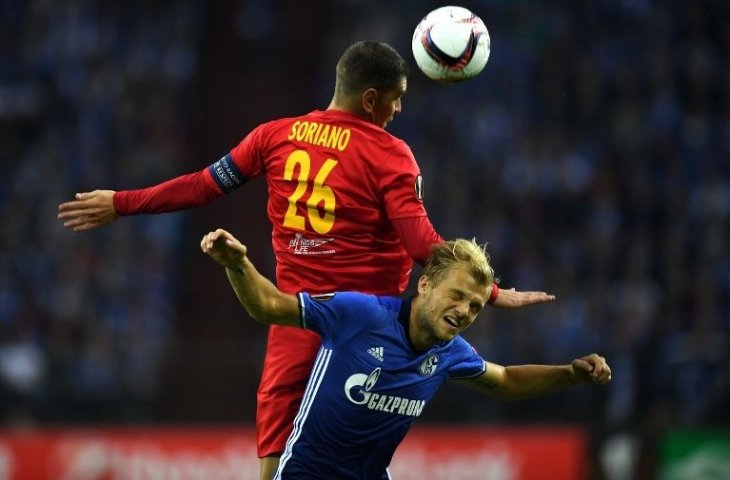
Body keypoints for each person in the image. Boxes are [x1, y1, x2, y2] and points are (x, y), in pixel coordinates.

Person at [58, 41, 555, 478]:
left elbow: (202, 187)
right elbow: (423, 245)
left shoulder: (275, 136)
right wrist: (488, 292)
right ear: (370, 100)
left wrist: (121, 202)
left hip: (295, 317)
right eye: (396, 97)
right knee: (356, 456)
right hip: (368, 326)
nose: (399, 108)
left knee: (278, 461)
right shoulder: (390, 155)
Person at [200, 227, 611, 479]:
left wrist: (569, 374)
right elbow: (269, 306)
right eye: (458, 296)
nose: (465, 311)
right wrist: (237, 264)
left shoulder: (450, 352)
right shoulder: (360, 314)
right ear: (427, 285)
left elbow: (504, 380)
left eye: (474, 305)